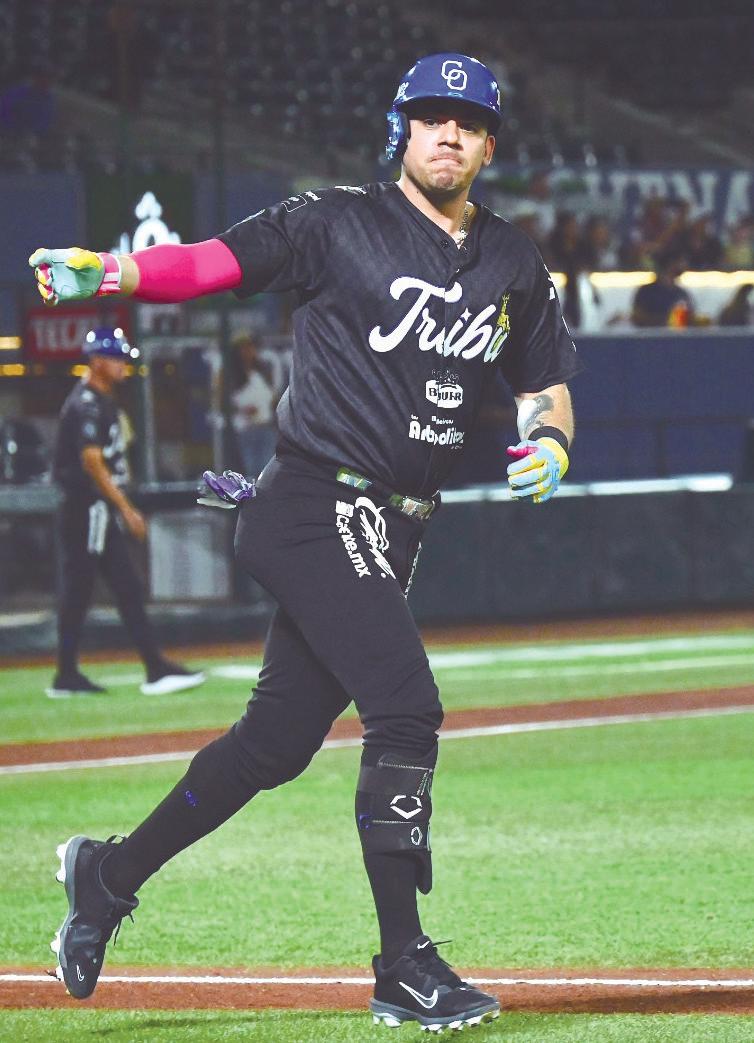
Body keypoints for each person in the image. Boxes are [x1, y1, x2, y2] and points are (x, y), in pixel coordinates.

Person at [31, 51, 579, 1032]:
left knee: (275, 743)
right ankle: (403, 964)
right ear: (402, 127)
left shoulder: (512, 262)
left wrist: (551, 442)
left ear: (490, 144)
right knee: (405, 704)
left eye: (468, 122)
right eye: (432, 116)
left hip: (396, 525)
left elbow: (545, 383)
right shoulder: (335, 222)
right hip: (312, 501)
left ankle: (105, 876)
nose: (449, 133)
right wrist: (113, 271)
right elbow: (210, 263)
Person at [44, 326, 206, 698]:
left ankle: (152, 667)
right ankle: (70, 674)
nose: (122, 365)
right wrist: (127, 509)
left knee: (124, 586)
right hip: (86, 510)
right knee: (81, 590)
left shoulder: (104, 400)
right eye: (115, 358)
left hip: (97, 510)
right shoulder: (86, 402)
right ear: (97, 360)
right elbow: (92, 462)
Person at [229, 330, 277, 479]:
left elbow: (272, 396)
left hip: (265, 427)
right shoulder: (231, 374)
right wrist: (242, 409)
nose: (248, 351)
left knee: (267, 472)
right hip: (246, 429)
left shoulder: (263, 370)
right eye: (243, 348)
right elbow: (222, 402)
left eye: (250, 347)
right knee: (250, 471)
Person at [630, 249, 696, 327]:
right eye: (681, 261)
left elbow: (690, 318)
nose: (685, 265)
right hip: (652, 334)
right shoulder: (646, 292)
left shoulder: (681, 293)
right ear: (671, 264)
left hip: (677, 335)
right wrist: (666, 320)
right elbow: (638, 319)